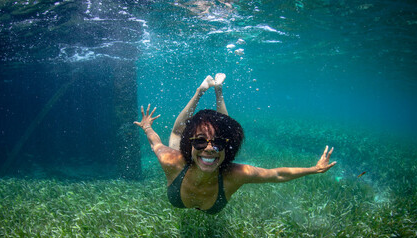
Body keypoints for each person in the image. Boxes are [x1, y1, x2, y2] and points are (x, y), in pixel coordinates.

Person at [134, 74, 336, 214]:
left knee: (223, 130)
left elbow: (276, 174)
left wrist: (313, 169)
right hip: (187, 157)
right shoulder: (172, 161)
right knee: (178, 133)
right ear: (191, 144)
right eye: (200, 141)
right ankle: (200, 91)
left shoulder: (237, 175)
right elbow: (156, 144)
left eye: (219, 144)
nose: (210, 148)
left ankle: (218, 91)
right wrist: (147, 128)